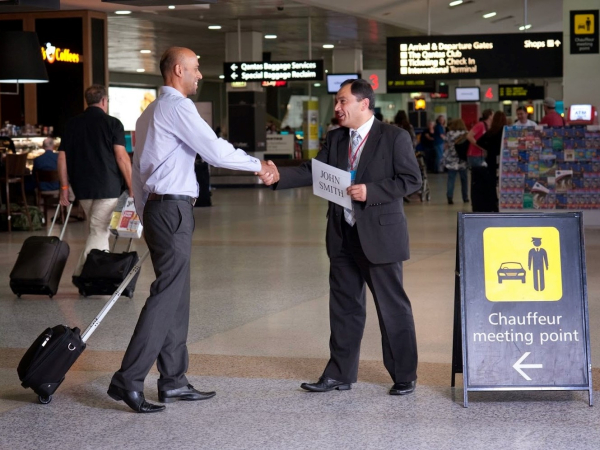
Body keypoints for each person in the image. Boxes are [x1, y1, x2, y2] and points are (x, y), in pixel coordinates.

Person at [107, 47, 279, 414]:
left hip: (158, 208)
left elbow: (137, 171)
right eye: (197, 69)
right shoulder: (178, 107)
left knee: (177, 294)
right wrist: (258, 166)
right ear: (179, 70)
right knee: (167, 295)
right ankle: (128, 378)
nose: (200, 75)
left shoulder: (150, 112)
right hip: (171, 210)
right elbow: (214, 150)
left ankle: (173, 381)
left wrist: (142, 209)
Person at [267, 79, 421, 396]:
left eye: (342, 101)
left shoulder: (394, 137)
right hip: (342, 235)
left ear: (364, 104)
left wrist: (371, 191)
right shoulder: (337, 138)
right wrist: (279, 174)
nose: (337, 108)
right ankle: (339, 373)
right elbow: (315, 170)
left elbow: (410, 180)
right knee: (344, 308)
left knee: (392, 308)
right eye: (337, 102)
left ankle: (404, 374)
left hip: (381, 237)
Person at [58, 85, 133, 281]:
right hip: (107, 186)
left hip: (82, 187)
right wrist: (133, 186)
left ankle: (102, 276)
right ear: (104, 101)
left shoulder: (72, 124)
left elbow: (62, 158)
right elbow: (121, 157)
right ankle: (82, 274)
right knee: (99, 230)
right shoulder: (113, 123)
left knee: (98, 229)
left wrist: (64, 188)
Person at [474, 111, 508, 212]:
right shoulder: (506, 131)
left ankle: (494, 204)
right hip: (503, 159)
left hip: (491, 160)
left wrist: (488, 149)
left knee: (492, 183)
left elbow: (479, 141)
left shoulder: (491, 131)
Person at [444, 119, 469, 205]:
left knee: (451, 179)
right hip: (462, 160)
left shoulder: (449, 134)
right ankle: (465, 197)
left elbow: (446, 145)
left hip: (452, 160)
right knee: (464, 180)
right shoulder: (466, 133)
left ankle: (450, 197)